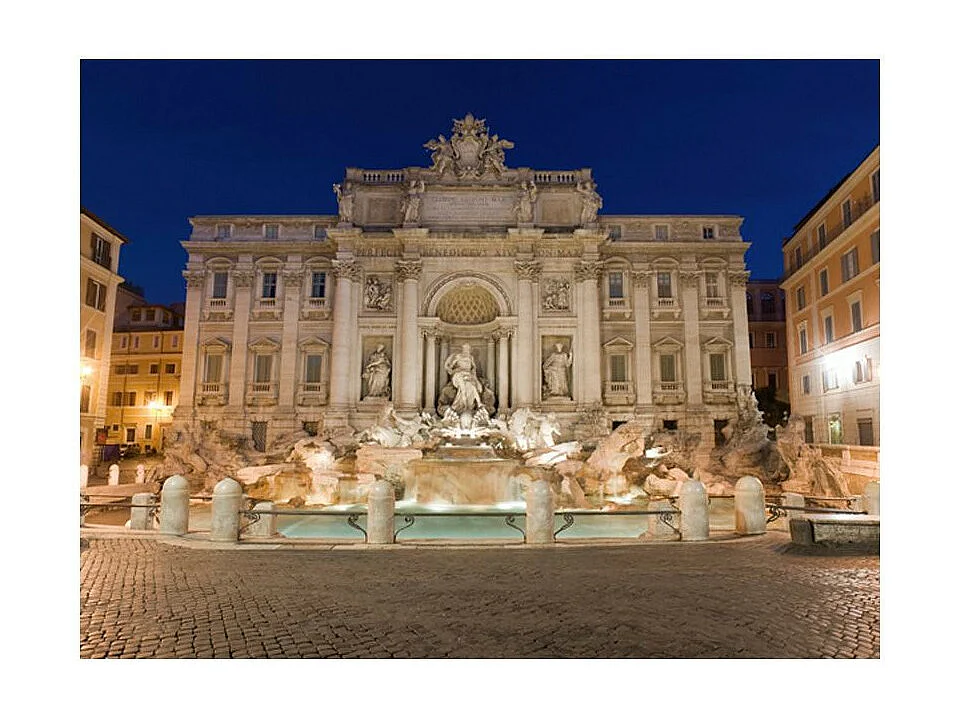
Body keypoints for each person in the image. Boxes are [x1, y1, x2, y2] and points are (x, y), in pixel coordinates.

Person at [443, 344, 485, 415]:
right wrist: (455, 370)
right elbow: (450, 367)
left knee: (472, 387)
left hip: (468, 375)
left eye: (468, 349)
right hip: (458, 375)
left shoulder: (471, 357)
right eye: (466, 348)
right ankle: (461, 405)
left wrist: (475, 378)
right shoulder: (458, 356)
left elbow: (473, 369)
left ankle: (479, 403)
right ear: (462, 349)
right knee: (463, 388)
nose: (467, 350)